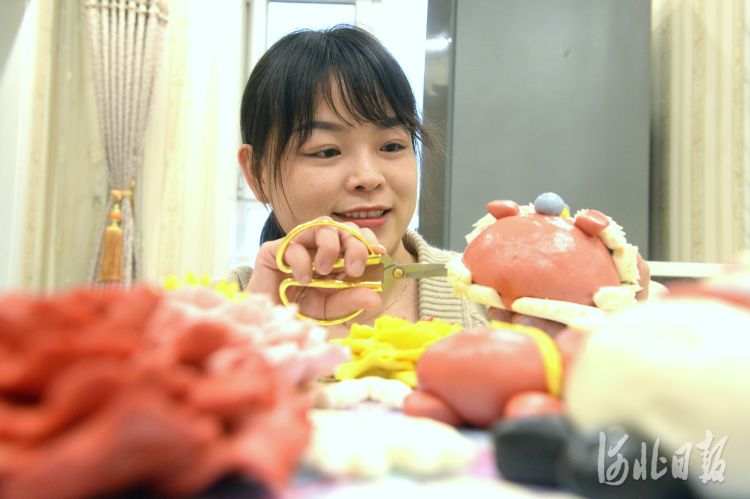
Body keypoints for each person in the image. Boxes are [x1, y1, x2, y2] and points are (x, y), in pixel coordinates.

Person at [229, 25, 490, 339]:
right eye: (327, 151)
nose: (368, 178)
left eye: (392, 146)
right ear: (257, 173)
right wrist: (251, 340)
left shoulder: (486, 299)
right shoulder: (226, 311)